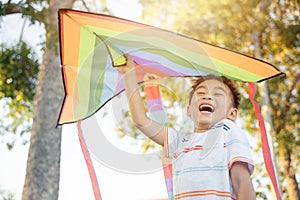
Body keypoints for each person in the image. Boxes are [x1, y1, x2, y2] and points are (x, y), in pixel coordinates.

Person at [118, 55, 256, 199]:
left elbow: (241, 181)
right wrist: (129, 76)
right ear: (189, 110)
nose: (207, 97)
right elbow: (141, 121)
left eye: (217, 94)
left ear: (232, 114)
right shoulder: (179, 141)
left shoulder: (228, 130)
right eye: (201, 93)